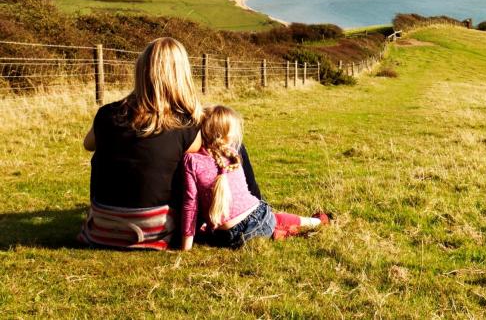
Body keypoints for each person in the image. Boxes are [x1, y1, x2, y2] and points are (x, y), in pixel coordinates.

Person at [78, 37, 259, 250]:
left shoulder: (107, 114)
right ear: (182, 75)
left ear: (141, 70)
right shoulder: (187, 125)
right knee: (229, 145)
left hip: (102, 227)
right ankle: (254, 208)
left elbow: (88, 144)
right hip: (156, 231)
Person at [181, 105, 329, 250]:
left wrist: (186, 246)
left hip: (225, 237)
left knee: (267, 220)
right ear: (227, 136)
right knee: (274, 218)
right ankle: (315, 222)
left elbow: (190, 204)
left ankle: (287, 230)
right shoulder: (232, 153)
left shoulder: (191, 160)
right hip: (258, 221)